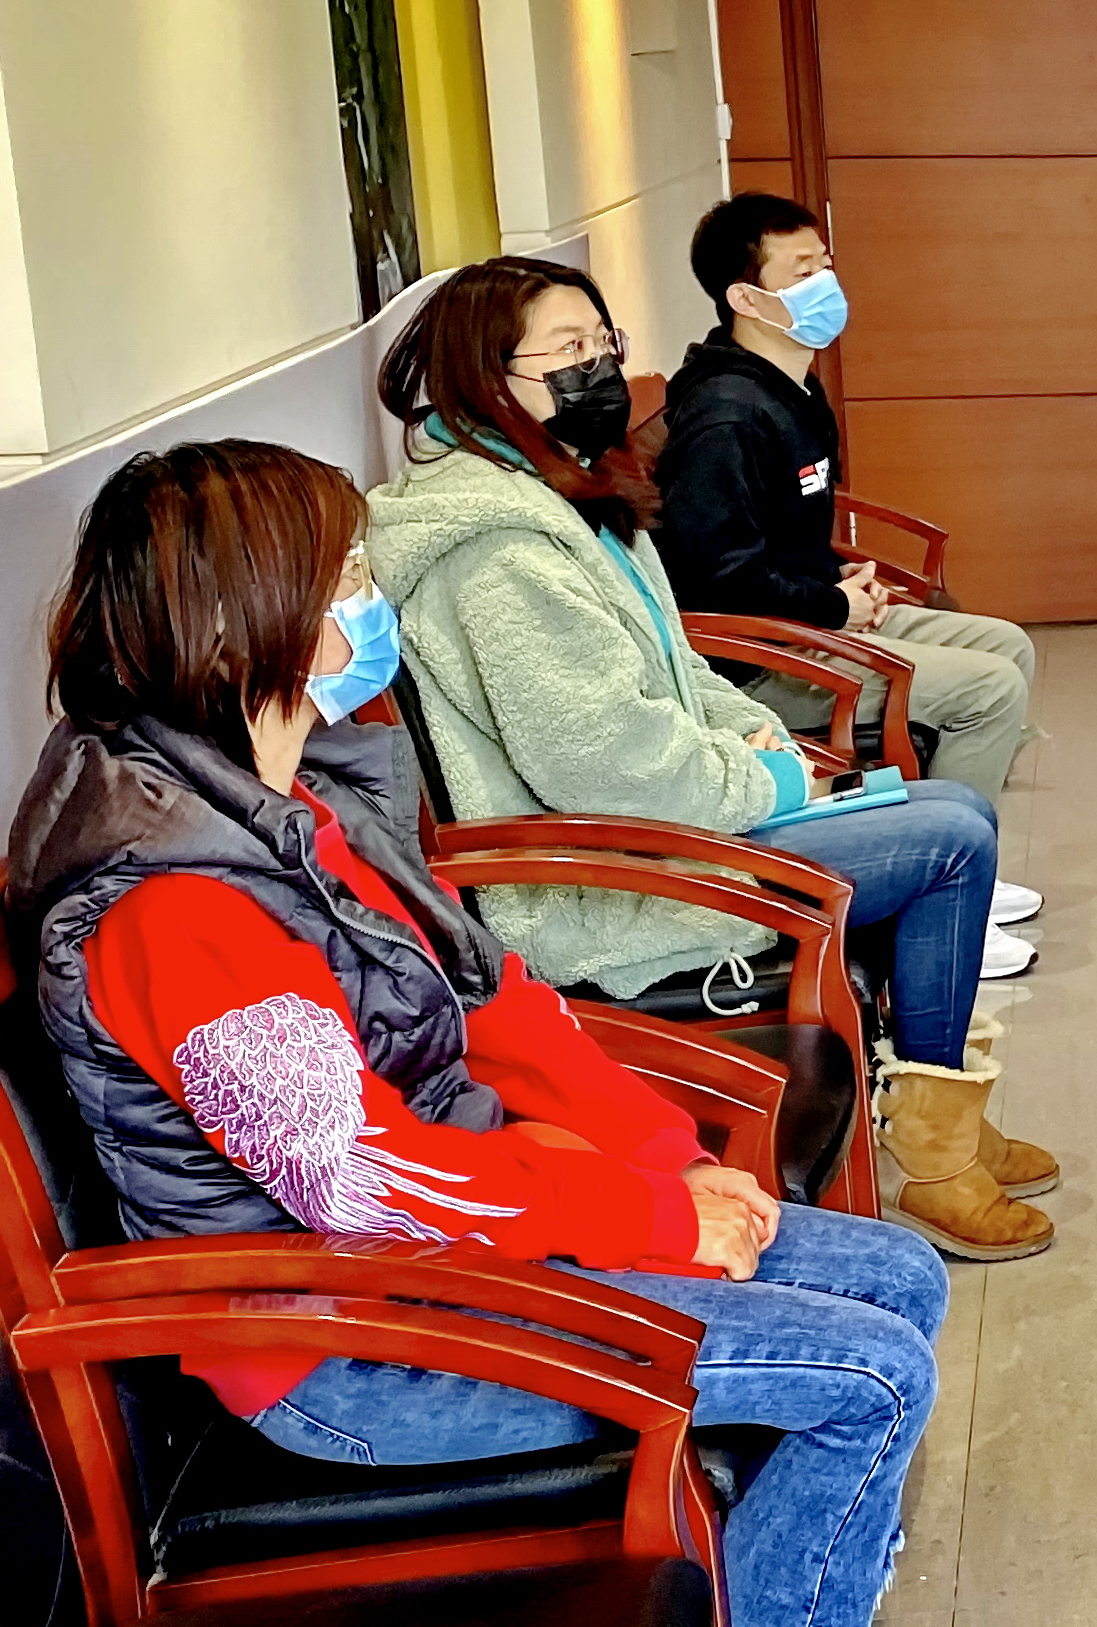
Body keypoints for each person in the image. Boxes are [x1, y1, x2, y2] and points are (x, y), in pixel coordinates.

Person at [4, 440, 947, 1627]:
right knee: (869, 1377)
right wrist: (654, 1222)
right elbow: (366, 1181)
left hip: (442, 1257)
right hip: (339, 1344)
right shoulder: (173, 905)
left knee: (902, 1276)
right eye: (347, 577)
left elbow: (490, 1003)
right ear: (246, 625)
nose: (373, 601)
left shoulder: (295, 802)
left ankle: (784, 1570)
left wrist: (668, 1160)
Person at [364, 255, 1056, 1261]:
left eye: (603, 344)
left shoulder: (565, 491)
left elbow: (676, 671)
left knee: (955, 815)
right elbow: (600, 762)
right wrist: (762, 778)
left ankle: (938, 1119)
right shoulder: (496, 552)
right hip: (605, 874)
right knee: (949, 837)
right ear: (484, 374)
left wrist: (761, 741)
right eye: (568, 350)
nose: (598, 369)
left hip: (669, 820)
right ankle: (934, 1157)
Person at [656, 193, 1047, 874]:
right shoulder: (725, 418)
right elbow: (717, 577)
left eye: (825, 265)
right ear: (745, 299)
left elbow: (777, 533)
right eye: (801, 272)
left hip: (804, 613)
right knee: (989, 689)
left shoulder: (793, 388)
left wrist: (837, 577)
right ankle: (947, 869)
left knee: (1007, 645)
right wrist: (836, 607)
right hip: (760, 660)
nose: (825, 285)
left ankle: (959, 829)